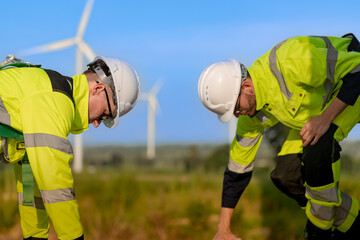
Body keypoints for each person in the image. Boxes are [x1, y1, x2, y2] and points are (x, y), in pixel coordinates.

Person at [198, 34, 360, 240]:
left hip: (350, 88)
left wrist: (325, 118)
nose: (237, 115)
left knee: (317, 146)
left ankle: (320, 231)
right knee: (286, 175)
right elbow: (236, 171)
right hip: (316, 113)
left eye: (236, 108)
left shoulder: (292, 61)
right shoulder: (251, 111)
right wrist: (223, 229)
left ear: (246, 88)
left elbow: (357, 68)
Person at [0, 55, 140, 240]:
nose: (97, 123)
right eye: (105, 113)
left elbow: (29, 176)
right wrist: (74, 237)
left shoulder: (48, 89)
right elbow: (54, 180)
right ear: (98, 89)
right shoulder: (55, 99)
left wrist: (35, 235)